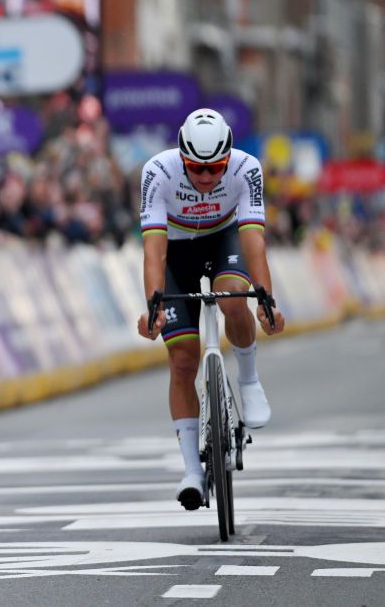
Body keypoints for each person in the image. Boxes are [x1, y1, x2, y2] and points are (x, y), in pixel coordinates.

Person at [135, 108, 285, 510]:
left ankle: (249, 379)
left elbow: (253, 240)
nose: (204, 178)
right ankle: (192, 472)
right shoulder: (158, 171)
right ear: (181, 155)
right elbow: (153, 250)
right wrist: (154, 304)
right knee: (182, 360)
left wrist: (265, 299)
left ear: (229, 157)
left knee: (236, 296)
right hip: (175, 255)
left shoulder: (247, 168)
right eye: (196, 169)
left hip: (223, 241)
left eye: (214, 168)